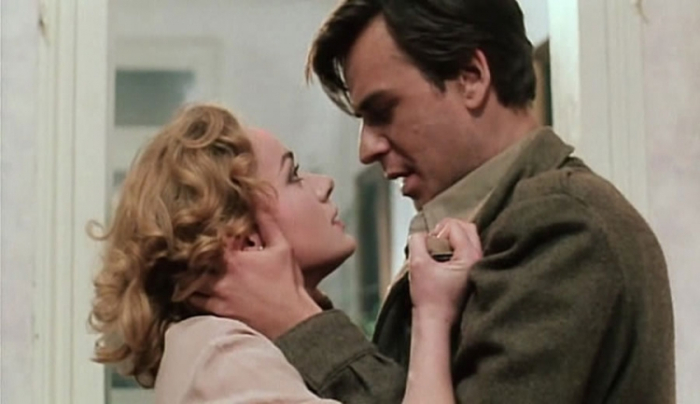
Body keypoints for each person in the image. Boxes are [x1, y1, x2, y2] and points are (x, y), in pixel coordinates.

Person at [192, 1, 675, 403]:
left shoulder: (562, 224)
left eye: (383, 111)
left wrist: (297, 321)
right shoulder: (490, 218)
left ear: (471, 77)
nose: (366, 149)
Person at [88, 104, 483, 404]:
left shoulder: (222, 350)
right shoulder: (226, 360)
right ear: (246, 241)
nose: (324, 184)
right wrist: (432, 315)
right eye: (294, 175)